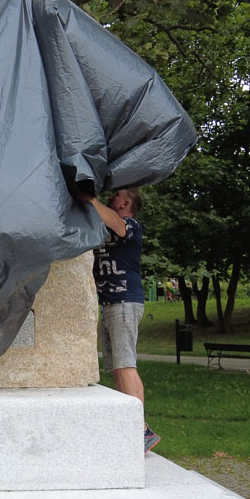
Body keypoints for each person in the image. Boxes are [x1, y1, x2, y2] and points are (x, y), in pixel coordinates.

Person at [78, 187, 160, 452]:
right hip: (109, 304)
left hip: (125, 301)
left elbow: (117, 224)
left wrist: (90, 198)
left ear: (126, 203)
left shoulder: (131, 225)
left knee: (125, 365)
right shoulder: (104, 226)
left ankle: (141, 429)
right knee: (116, 367)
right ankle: (127, 424)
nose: (112, 197)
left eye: (118, 195)